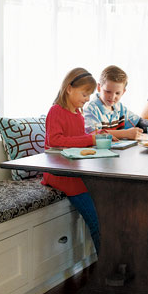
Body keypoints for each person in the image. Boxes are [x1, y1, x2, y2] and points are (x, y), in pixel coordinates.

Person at [41, 67, 101, 255]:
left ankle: (115, 260)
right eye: (84, 94)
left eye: (89, 95)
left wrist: (96, 140)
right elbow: (55, 141)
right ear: (69, 89)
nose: (87, 99)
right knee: (98, 221)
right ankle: (107, 267)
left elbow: (78, 141)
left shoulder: (78, 114)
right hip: (59, 172)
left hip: (75, 171)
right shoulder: (56, 111)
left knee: (109, 203)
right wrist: (90, 140)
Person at [84, 65, 148, 138]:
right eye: (108, 91)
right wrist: (125, 133)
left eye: (117, 93)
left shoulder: (119, 108)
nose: (112, 97)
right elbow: (94, 133)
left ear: (123, 92)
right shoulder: (91, 108)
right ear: (99, 87)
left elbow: (139, 122)